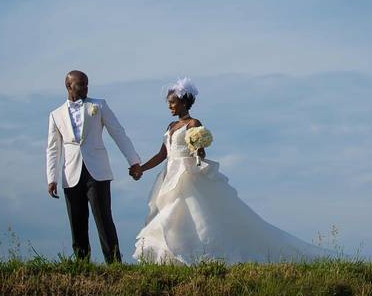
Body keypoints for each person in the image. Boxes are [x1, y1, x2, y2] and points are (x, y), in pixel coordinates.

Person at [131, 77, 331, 264]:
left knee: (186, 213)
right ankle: (171, 257)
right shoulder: (171, 125)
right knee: (169, 215)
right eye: (169, 102)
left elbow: (199, 152)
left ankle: (198, 253)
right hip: (169, 175)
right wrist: (142, 168)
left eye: (172, 102)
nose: (169, 106)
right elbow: (162, 154)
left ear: (183, 102)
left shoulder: (194, 124)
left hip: (186, 175)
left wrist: (199, 150)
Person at [46, 70, 142, 263]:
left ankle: (114, 263)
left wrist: (133, 161)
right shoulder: (56, 115)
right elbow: (53, 149)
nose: (85, 88)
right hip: (71, 173)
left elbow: (118, 132)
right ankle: (82, 264)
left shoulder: (99, 105)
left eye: (87, 84)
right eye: (81, 84)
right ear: (69, 86)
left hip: (97, 172)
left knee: (104, 219)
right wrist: (52, 178)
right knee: (77, 221)